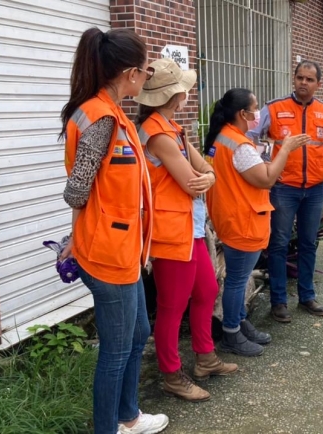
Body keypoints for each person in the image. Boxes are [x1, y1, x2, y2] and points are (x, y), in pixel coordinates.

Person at [59, 28, 168, 434]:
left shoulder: (116, 114)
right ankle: (109, 427)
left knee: (138, 332)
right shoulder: (102, 119)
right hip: (108, 253)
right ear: (130, 73)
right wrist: (81, 234)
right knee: (117, 350)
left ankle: (129, 416)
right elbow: (78, 190)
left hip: (125, 251)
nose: (148, 76)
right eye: (146, 69)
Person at [134, 59, 237, 402]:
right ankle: (171, 375)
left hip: (187, 227)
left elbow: (205, 171)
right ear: (176, 95)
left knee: (207, 290)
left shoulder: (172, 127)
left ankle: (205, 358)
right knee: (171, 306)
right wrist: (206, 179)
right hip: (169, 230)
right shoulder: (157, 133)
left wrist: (206, 178)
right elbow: (196, 182)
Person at [206, 88, 309, 356]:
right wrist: (285, 149)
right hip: (243, 222)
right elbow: (266, 178)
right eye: (255, 108)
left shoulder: (223, 138)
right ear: (243, 113)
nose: (259, 113)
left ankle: (239, 322)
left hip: (231, 218)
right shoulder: (240, 146)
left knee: (236, 279)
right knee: (237, 281)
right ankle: (231, 333)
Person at [248, 61, 323, 323]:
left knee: (309, 243)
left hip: (314, 189)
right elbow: (252, 136)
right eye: (300, 77)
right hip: (283, 187)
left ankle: (307, 296)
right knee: (278, 243)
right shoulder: (274, 108)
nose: (303, 83)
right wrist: (263, 163)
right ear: (293, 79)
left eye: (310, 79)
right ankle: (278, 301)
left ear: (318, 84)